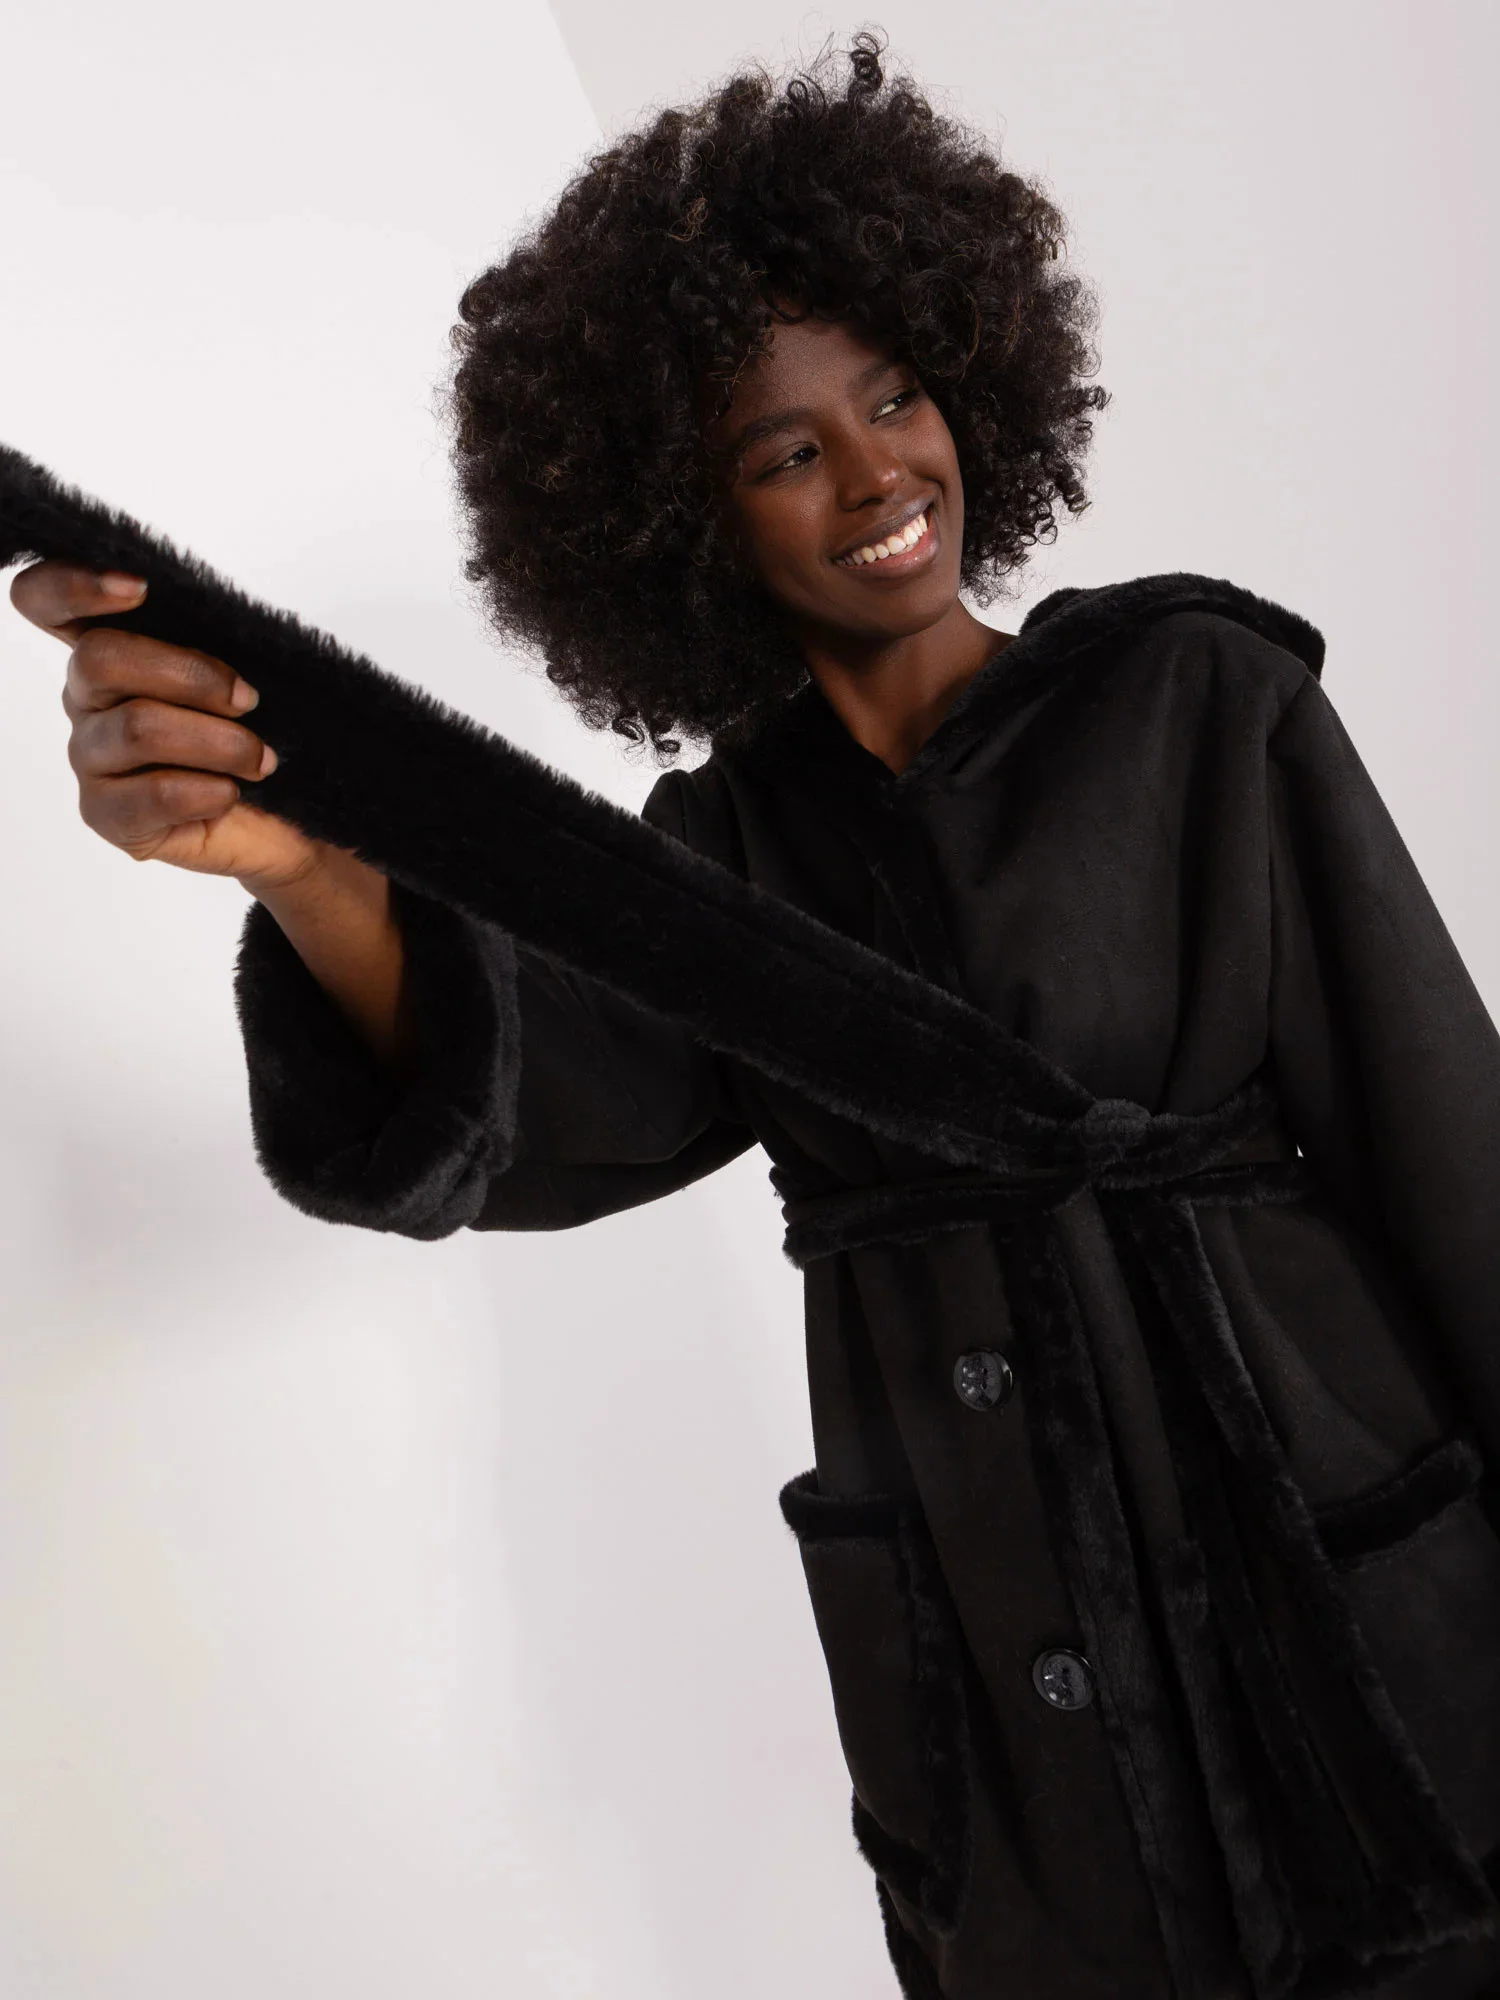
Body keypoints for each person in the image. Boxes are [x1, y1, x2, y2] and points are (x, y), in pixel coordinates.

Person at [10, 32, 1500, 2000]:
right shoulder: (717, 858)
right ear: (679, 519)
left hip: (1339, 1598)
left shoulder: (1202, 701)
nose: (877, 474)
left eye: (894, 397)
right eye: (784, 452)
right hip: (1006, 1698)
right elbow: (541, 1102)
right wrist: (301, 862)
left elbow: (1454, 1149)